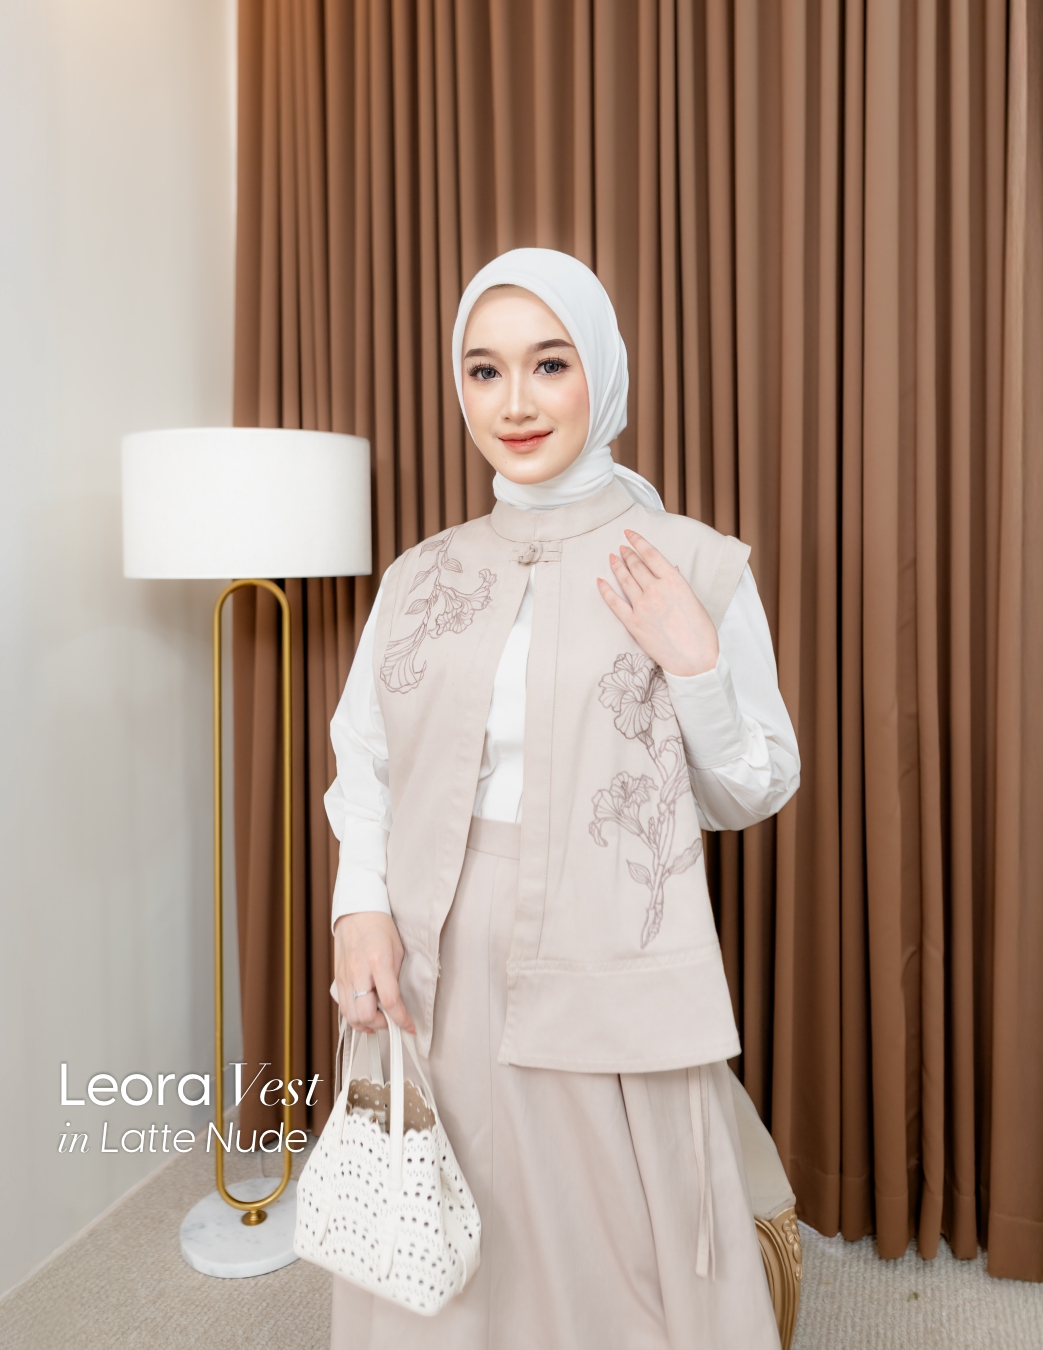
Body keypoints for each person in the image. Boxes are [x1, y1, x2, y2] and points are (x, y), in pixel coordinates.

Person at [324, 249, 799, 1349]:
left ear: (603, 373)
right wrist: (359, 907)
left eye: (550, 363)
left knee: (614, 1260)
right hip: (437, 953)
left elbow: (754, 788)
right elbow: (366, 759)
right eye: (484, 371)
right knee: (439, 1226)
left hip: (611, 946)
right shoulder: (420, 575)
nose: (517, 404)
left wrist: (695, 666)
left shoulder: (689, 565)